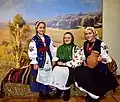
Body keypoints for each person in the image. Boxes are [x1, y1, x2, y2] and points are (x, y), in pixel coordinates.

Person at [74, 27, 119, 102]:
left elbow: (108, 59)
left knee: (92, 74)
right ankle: (92, 94)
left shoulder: (101, 44)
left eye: (90, 33)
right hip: (88, 66)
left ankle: (94, 95)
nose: (88, 35)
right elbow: (82, 55)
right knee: (79, 71)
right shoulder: (85, 44)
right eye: (86, 34)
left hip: (98, 67)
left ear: (94, 34)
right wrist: (84, 61)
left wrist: (101, 59)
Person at [49, 32, 84, 102]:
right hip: (60, 65)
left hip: (70, 66)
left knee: (65, 72)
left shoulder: (75, 48)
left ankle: (66, 90)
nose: (66, 39)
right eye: (65, 38)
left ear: (72, 39)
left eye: (68, 38)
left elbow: (77, 61)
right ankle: (59, 90)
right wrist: (56, 61)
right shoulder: (60, 48)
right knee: (56, 70)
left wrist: (65, 64)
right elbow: (57, 57)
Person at [28, 21, 57, 99]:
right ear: (36, 28)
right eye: (40, 27)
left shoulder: (48, 38)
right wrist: (34, 62)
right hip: (40, 60)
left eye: (44, 28)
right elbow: (32, 51)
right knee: (41, 76)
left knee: (48, 75)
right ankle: (41, 93)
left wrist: (54, 58)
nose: (42, 29)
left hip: (48, 59)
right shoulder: (34, 40)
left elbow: (53, 48)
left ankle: (47, 92)